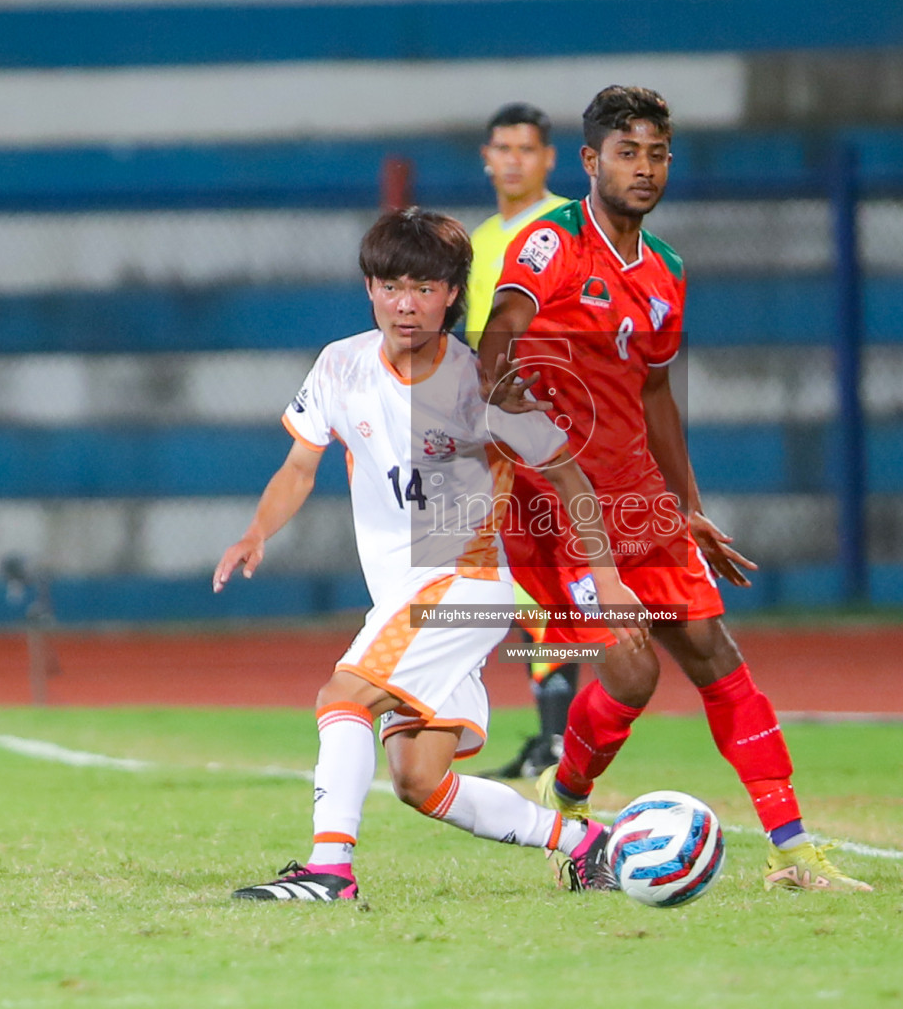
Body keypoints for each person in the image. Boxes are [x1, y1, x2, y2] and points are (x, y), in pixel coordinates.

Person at [479, 86, 872, 893]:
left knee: (717, 660)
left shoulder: (667, 271)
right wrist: (507, 401)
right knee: (630, 673)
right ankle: (567, 807)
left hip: (641, 499)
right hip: (559, 506)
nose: (646, 168)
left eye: (658, 153)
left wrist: (687, 505)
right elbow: (499, 339)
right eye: (629, 152)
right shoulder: (548, 248)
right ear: (590, 162)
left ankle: (794, 854)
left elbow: (655, 394)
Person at [214, 207, 646, 902]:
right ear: (369, 288)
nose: (404, 303)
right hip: (404, 597)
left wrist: (608, 578)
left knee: (342, 698)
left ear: (452, 292)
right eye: (390, 285)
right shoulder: (340, 364)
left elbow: (570, 476)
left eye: (422, 286)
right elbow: (300, 466)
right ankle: (587, 845)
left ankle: (330, 871)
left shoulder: (485, 385)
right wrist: (257, 531)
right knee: (420, 780)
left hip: (461, 583)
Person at [464, 102, 577, 780]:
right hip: (499, 433)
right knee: (531, 585)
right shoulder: (479, 240)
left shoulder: (566, 225)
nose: (512, 159)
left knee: (568, 582)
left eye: (525, 148)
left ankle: (572, 736)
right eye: (501, 147)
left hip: (556, 427)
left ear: (548, 158)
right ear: (486, 157)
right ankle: (553, 736)